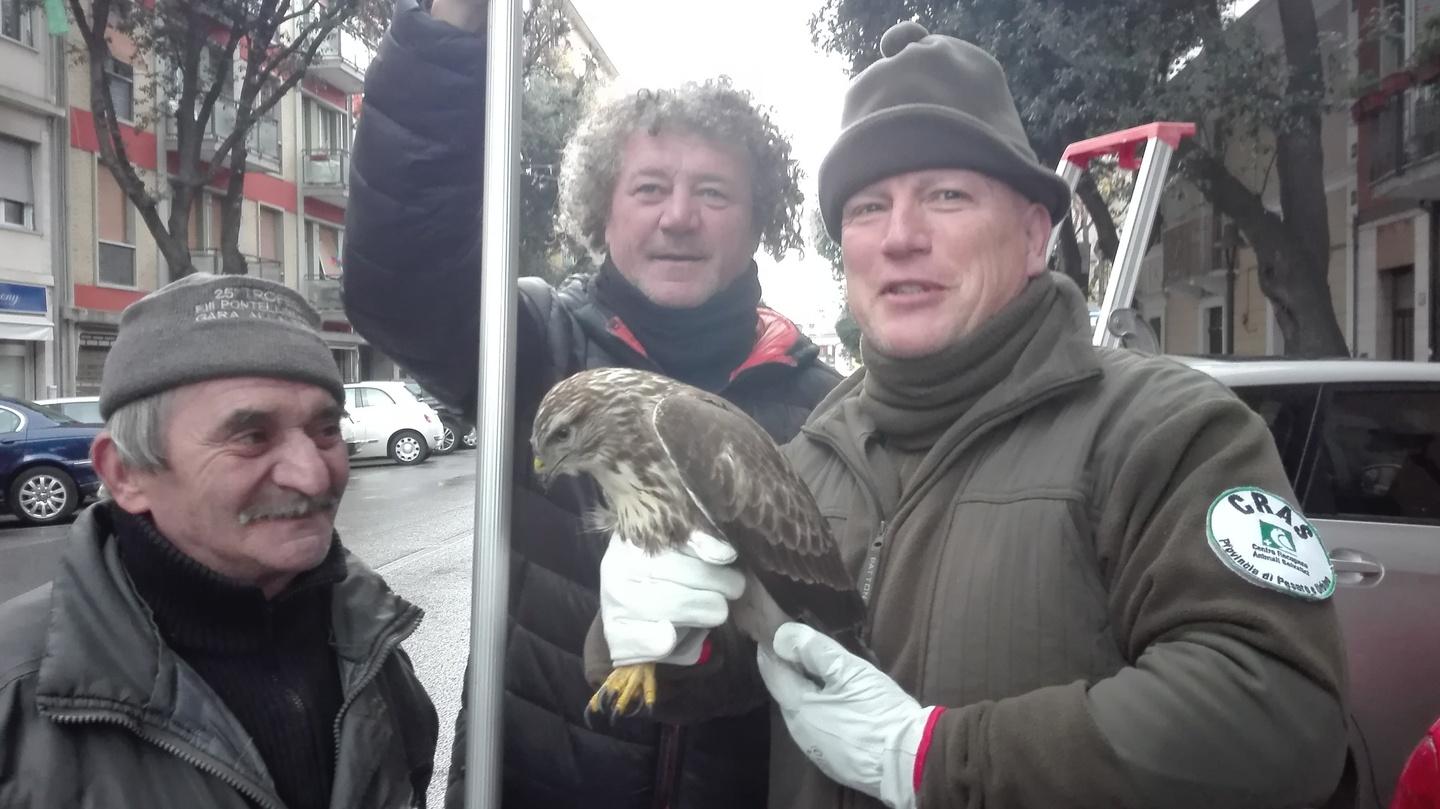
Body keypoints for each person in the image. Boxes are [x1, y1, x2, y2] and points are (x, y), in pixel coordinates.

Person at [590, 21, 1351, 809]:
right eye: (867, 207)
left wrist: (935, 757)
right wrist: (661, 635)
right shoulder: (805, 457)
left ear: (1031, 237)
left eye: (946, 196)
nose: (901, 238)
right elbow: (746, 662)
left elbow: (1282, 716)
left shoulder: (1169, 431)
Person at [342, 0, 840, 806]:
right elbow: (399, 277)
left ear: (758, 222)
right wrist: (448, 32)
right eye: (649, 187)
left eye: (713, 191)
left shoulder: (827, 408)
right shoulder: (531, 345)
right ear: (602, 212)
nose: (679, 216)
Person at [0, 274, 437, 809]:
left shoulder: (371, 642)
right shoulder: (16, 697)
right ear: (125, 474)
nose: (314, 476)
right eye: (252, 437)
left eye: (326, 431)